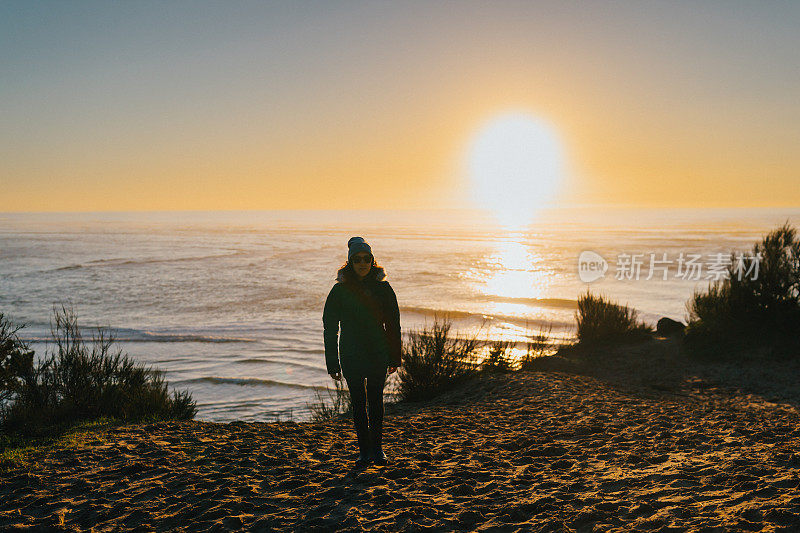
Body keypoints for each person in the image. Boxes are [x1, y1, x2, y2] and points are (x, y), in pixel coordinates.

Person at [323, 236, 402, 467]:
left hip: (378, 353)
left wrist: (394, 357)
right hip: (351, 354)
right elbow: (330, 328)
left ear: (372, 260)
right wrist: (333, 364)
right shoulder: (339, 291)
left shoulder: (384, 289)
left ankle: (377, 450)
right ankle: (364, 452)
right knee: (357, 404)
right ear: (350, 262)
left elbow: (393, 325)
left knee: (376, 402)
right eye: (357, 259)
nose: (362, 263)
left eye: (367, 259)